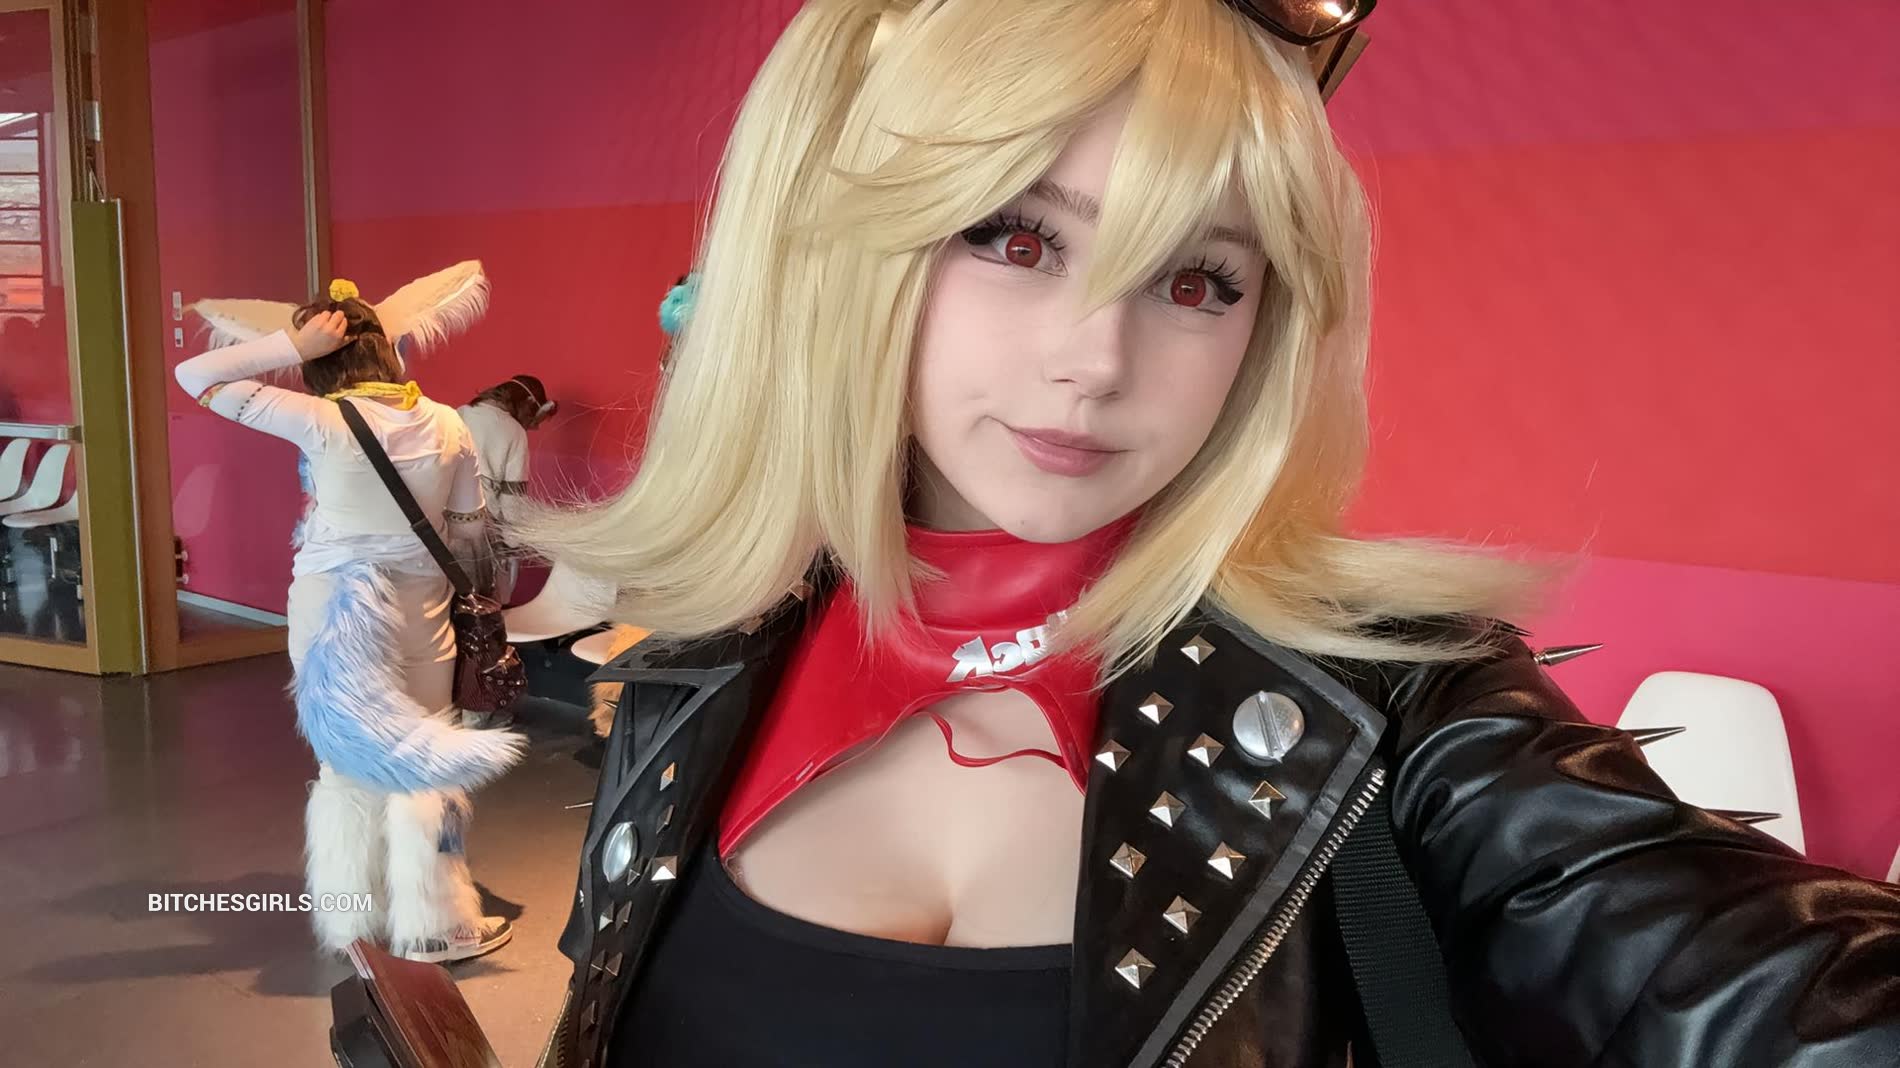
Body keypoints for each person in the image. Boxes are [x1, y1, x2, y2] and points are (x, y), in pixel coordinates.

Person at [358, 3, 1899, 1065]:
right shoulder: (703, 661)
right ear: (851, 254)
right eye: (1015, 237)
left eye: (1198, 280)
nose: (1097, 362)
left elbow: (1743, 981)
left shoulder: (1397, 715)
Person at [176, 267, 523, 965]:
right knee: (425, 757)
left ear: (322, 361)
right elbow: (469, 531)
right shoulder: (449, 423)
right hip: (422, 607)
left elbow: (196, 375)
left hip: (328, 608)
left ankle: (352, 920)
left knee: (342, 763)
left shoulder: (320, 419)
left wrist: (292, 345)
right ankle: (436, 925)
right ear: (385, 349)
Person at [458, 375, 557, 606]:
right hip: (484, 529)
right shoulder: (514, 431)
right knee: (487, 601)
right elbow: (512, 500)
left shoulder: (459, 415)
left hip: (443, 522)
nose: (535, 426)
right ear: (527, 404)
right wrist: (513, 541)